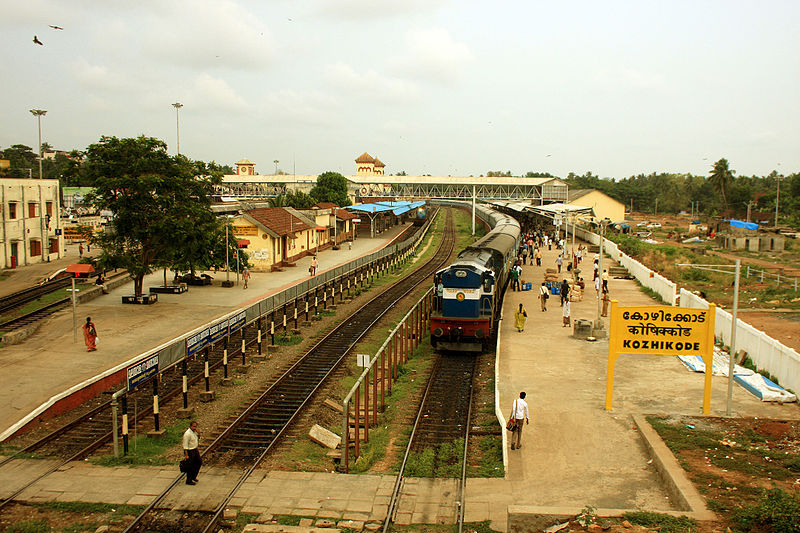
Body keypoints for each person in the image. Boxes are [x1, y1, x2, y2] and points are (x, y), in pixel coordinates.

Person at [182, 421, 201, 485]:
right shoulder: (187, 434)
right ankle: (189, 480)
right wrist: (186, 455)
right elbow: (185, 445)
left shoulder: (194, 432)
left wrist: (199, 433)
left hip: (195, 449)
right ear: (190, 426)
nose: (195, 428)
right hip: (190, 451)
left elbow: (197, 438)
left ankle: (193, 476)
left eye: (196, 426)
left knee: (199, 462)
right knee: (190, 466)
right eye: (194, 426)